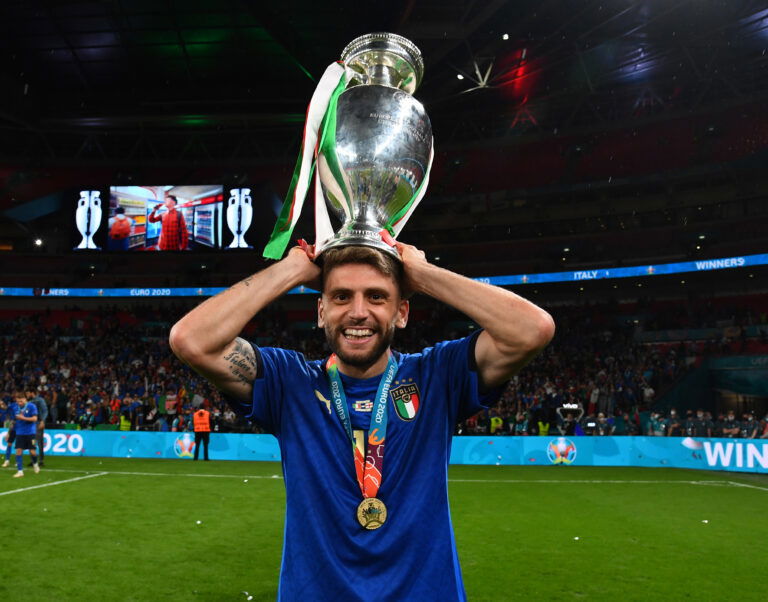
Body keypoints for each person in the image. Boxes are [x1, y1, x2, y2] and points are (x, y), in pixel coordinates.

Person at [169, 242, 554, 600]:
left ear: (401, 312)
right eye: (340, 297)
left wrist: (423, 274)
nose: (357, 312)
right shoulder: (290, 382)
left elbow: (531, 330)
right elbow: (191, 340)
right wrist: (289, 271)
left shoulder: (438, 375)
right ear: (321, 312)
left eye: (377, 296)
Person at [12, 391, 40, 477]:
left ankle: (35, 464)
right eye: (18, 401)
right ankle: (20, 471)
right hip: (20, 432)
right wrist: (9, 432)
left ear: (25, 399)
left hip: (31, 433)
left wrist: (23, 418)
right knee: (18, 451)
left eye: (21, 401)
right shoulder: (15, 408)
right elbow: (14, 421)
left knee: (33, 452)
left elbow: (35, 419)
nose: (19, 403)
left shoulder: (32, 406)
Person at [29, 388, 48, 466]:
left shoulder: (40, 400)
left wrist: (43, 421)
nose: (27, 395)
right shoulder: (30, 401)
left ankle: (41, 461)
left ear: (32, 392)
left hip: (38, 423)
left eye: (28, 393)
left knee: (39, 442)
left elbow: (45, 411)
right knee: (32, 442)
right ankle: (34, 460)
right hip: (31, 424)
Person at [2, 396, 20, 468]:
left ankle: (18, 461)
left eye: (2, 404)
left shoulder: (15, 407)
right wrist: (8, 432)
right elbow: (9, 419)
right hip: (13, 429)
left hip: (19, 429)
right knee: (9, 444)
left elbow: (14, 419)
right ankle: (7, 461)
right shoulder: (9, 409)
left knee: (18, 446)